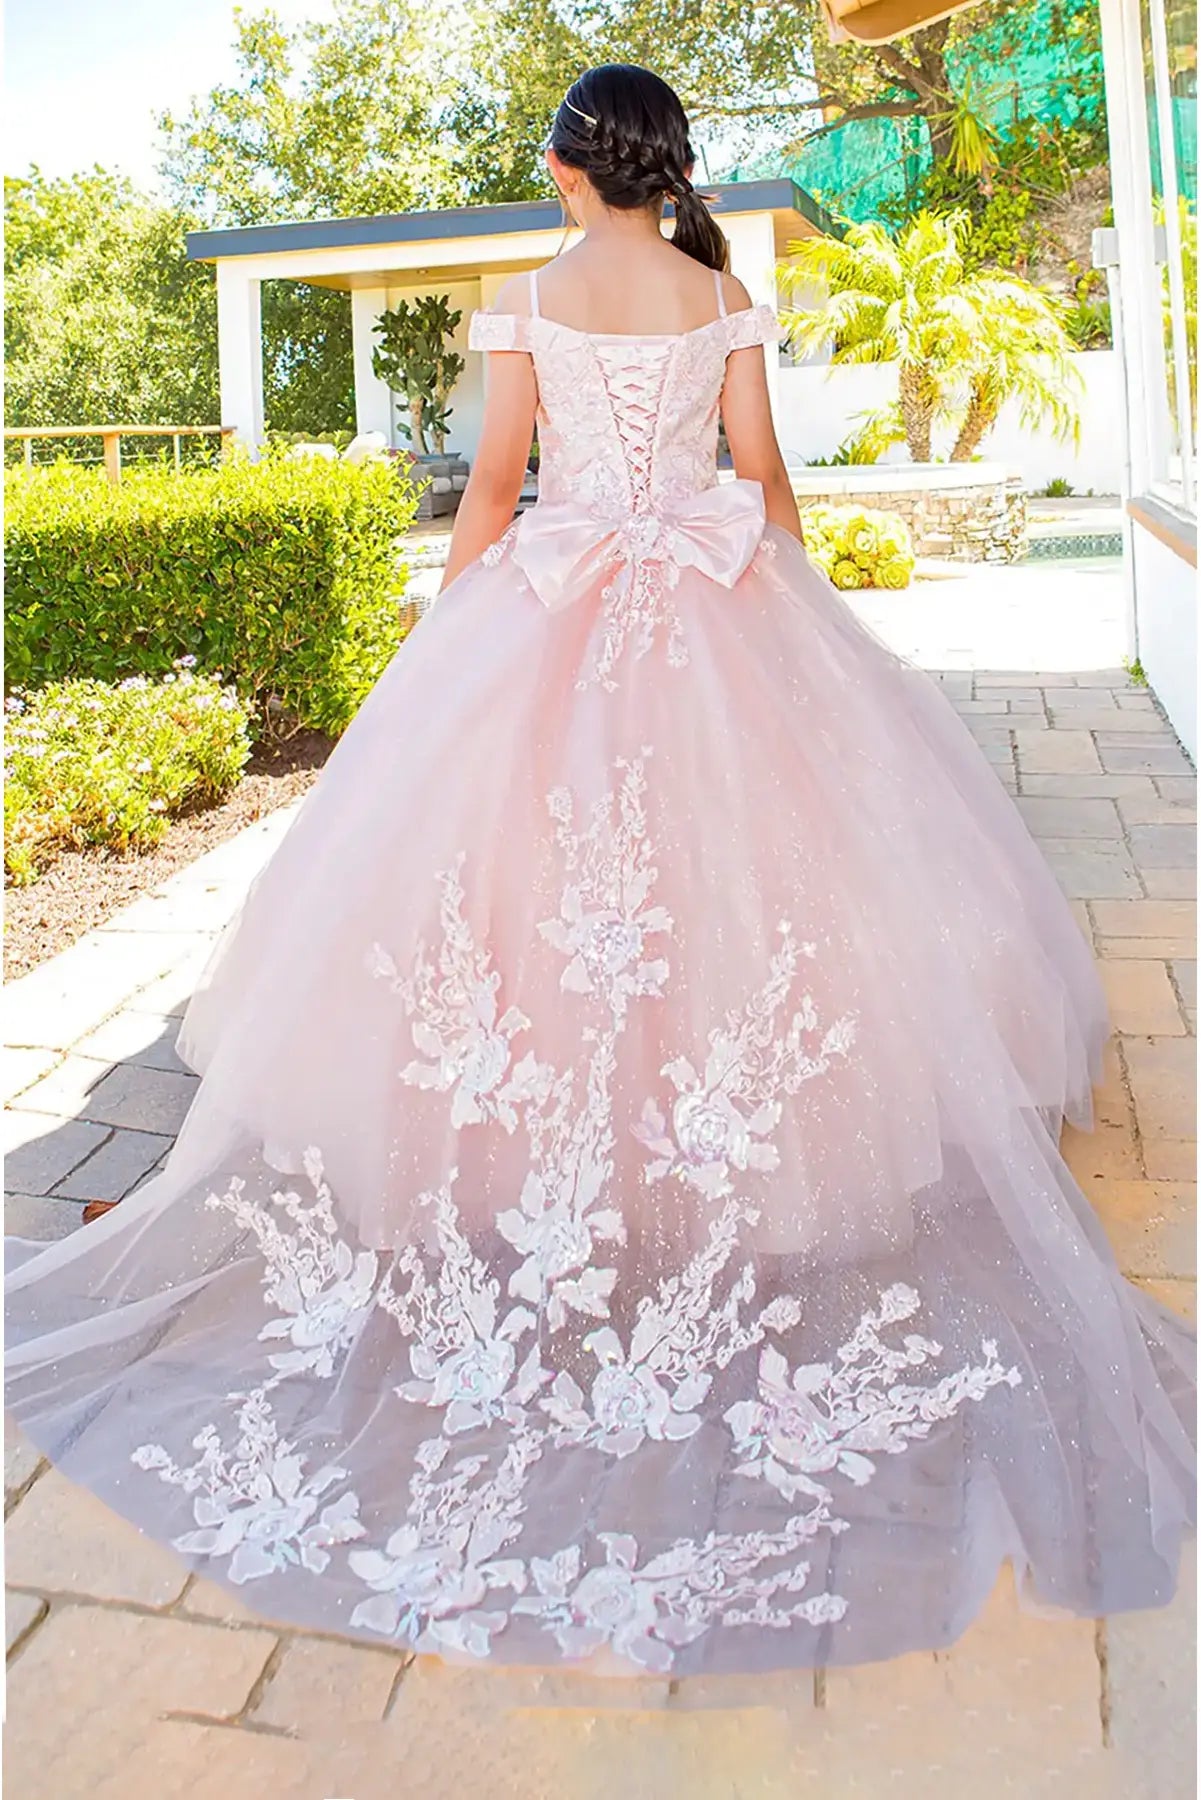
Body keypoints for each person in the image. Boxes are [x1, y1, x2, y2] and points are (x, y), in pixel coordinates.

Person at [5, 64, 1193, 1685]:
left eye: (550, 153)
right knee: (735, 906)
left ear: (574, 165)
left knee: (532, 914)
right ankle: (713, 1168)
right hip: (718, 606)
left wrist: (444, 645)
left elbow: (494, 487)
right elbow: (764, 482)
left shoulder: (529, 298)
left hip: (557, 608)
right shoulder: (719, 290)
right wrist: (799, 619)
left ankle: (553, 1186)